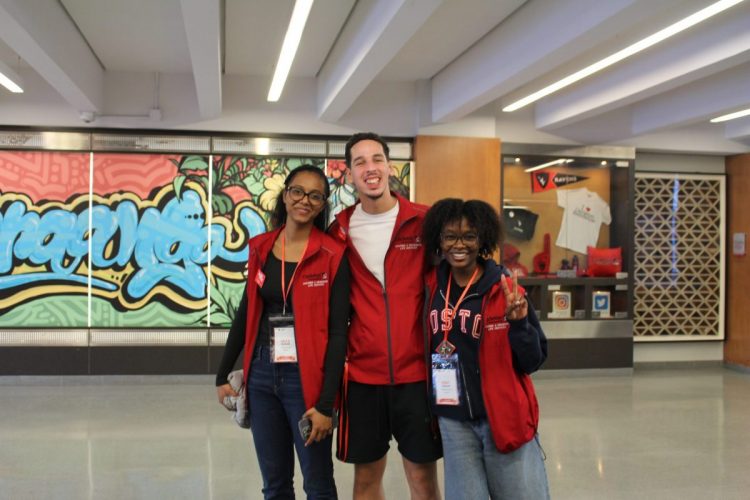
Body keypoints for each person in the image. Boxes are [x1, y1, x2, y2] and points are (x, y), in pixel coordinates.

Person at [216, 165, 350, 499]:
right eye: (298, 191)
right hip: (261, 374)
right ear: (286, 194)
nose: (305, 200)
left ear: (322, 205)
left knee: (318, 484)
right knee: (274, 485)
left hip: (305, 378)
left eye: (315, 195)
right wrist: (222, 374)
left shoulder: (333, 254)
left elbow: (338, 333)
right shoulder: (261, 247)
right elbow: (246, 311)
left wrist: (325, 404)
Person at [329, 132, 442, 500]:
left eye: (376, 159)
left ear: (389, 167)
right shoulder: (340, 231)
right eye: (359, 162)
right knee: (365, 482)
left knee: (423, 480)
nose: (369, 168)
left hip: (417, 377)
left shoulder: (424, 222)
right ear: (349, 174)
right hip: (363, 378)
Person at [422, 198, 550, 500]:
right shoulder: (430, 287)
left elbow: (533, 360)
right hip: (454, 422)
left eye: (469, 236)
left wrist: (519, 325)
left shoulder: (504, 288)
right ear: (439, 240)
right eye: (450, 236)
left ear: (482, 240)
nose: (459, 244)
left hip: (501, 418)